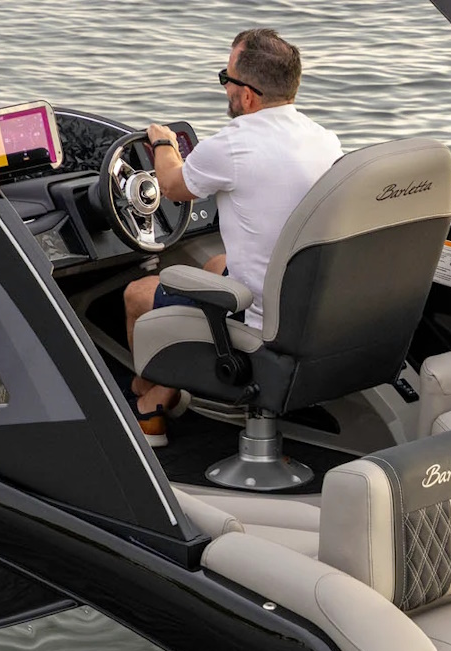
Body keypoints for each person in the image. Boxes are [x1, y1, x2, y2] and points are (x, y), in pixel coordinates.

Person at [124, 27, 342, 446]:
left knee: (137, 295)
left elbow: (170, 186)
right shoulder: (324, 139)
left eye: (226, 79)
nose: (224, 88)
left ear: (248, 96)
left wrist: (163, 143)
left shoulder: (232, 145)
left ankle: (148, 405)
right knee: (214, 265)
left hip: (262, 318)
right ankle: (167, 390)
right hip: (308, 302)